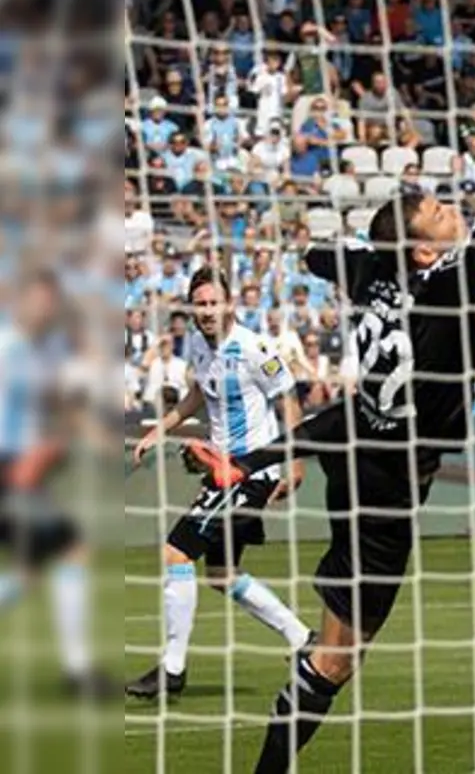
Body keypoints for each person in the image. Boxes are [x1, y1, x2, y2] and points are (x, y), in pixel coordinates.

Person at [181, 64, 475, 773]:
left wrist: (336, 253)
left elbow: (319, 253)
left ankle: (250, 465)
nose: (449, 211)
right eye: (437, 213)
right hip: (392, 484)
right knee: (336, 664)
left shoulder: (371, 273)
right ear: (424, 248)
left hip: (359, 444)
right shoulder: (446, 283)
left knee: (330, 644)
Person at [126, 268, 312, 699]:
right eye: (200, 304)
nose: (207, 312)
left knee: (176, 551)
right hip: (225, 472)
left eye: (214, 303)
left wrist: (296, 464)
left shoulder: (254, 348)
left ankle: (172, 669)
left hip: (251, 472)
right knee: (222, 573)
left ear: (229, 305)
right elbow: (196, 394)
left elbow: (288, 399)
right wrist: (161, 430)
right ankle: (303, 639)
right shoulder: (198, 344)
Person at [0, 273, 111, 698]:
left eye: (51, 302)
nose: (45, 309)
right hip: (12, 470)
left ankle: (78, 670)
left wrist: (93, 438)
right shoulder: (10, 347)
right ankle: (78, 671)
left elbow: (60, 406)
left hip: (26, 470)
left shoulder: (41, 352)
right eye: (38, 300)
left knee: (30, 572)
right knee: (69, 550)